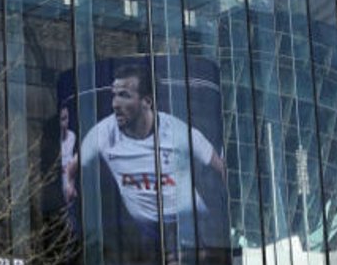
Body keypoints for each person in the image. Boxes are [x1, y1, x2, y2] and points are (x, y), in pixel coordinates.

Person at [67, 61, 225, 245]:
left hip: (189, 223)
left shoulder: (180, 133)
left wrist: (228, 208)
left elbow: (221, 167)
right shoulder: (102, 134)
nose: (115, 104)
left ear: (147, 102)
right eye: (114, 95)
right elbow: (71, 167)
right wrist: (69, 187)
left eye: (124, 96)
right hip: (145, 229)